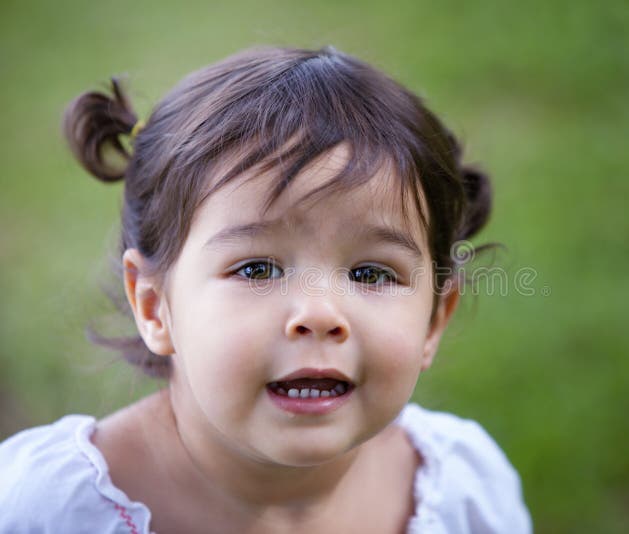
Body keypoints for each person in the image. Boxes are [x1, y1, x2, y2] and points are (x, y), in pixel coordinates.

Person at [0, 45, 532, 533]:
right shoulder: (47, 510)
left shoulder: (464, 492)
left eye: (372, 273)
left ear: (434, 320)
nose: (321, 314)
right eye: (257, 269)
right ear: (154, 305)